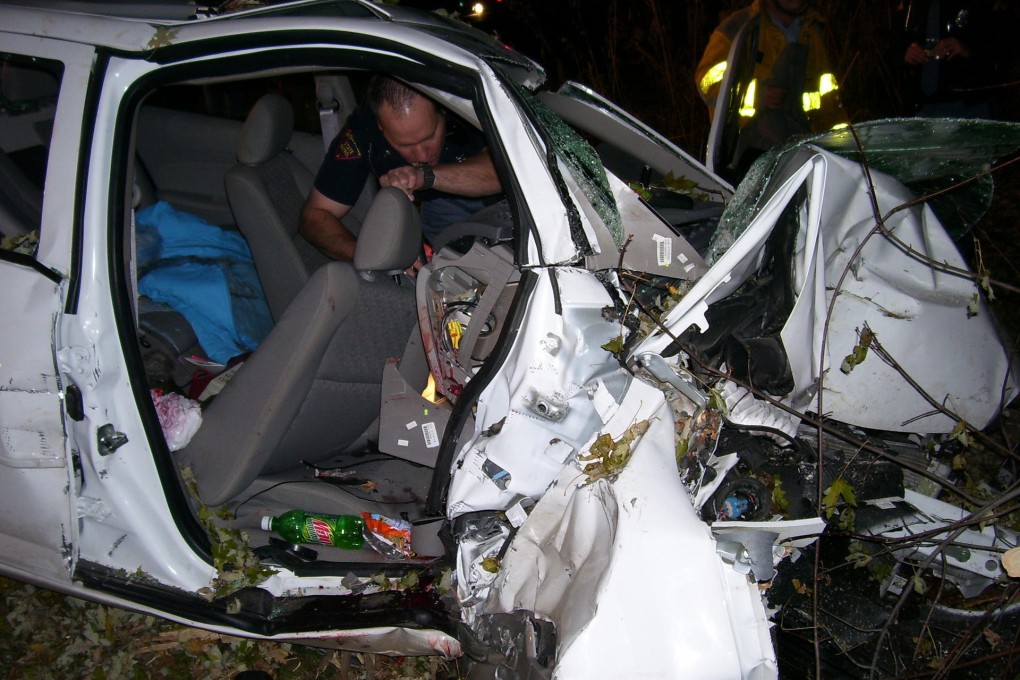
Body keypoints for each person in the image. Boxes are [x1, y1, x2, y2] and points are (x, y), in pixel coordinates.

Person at [300, 76, 502, 262]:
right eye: (405, 145)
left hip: (499, 201)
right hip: (439, 212)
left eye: (429, 137)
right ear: (381, 127)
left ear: (443, 111)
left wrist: (422, 176)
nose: (422, 156)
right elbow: (314, 217)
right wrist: (374, 259)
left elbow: (501, 174)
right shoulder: (364, 132)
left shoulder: (464, 103)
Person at [695, 0, 841, 179]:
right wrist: (759, 95)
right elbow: (707, 82)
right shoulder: (739, 28)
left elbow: (829, 99)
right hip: (744, 154)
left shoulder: (811, 32)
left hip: (803, 146)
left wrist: (842, 144)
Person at [898, 0, 1004, 118]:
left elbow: (1003, 46)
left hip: (970, 105)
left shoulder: (981, 5)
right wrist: (906, 53)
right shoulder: (912, 5)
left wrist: (966, 50)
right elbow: (896, 43)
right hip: (922, 106)